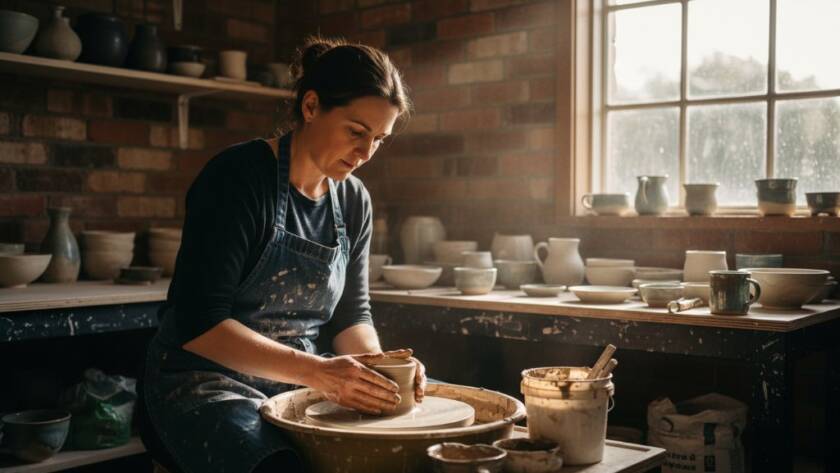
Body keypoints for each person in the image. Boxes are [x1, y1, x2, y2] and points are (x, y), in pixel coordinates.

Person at [139, 36, 425, 473]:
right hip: (203, 382)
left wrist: (382, 370)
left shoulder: (353, 200)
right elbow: (200, 323)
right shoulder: (237, 178)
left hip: (299, 382)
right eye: (356, 132)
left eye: (379, 140)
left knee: (415, 441)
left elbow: (351, 316)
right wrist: (318, 373)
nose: (366, 153)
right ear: (311, 106)